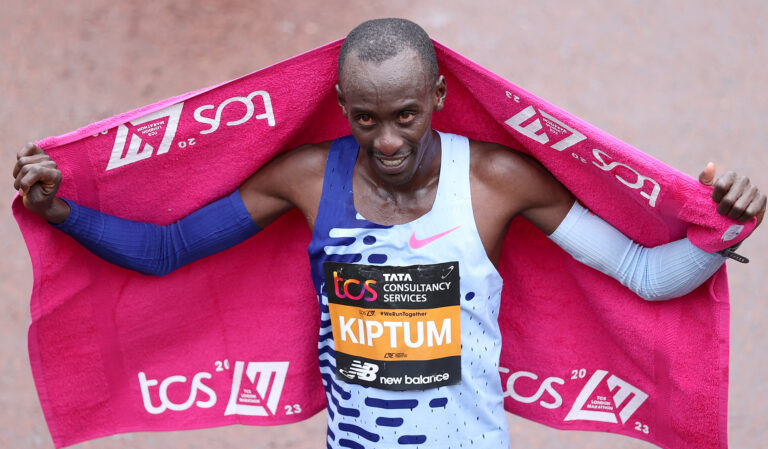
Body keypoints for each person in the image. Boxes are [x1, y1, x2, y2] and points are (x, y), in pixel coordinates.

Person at [12, 18, 766, 449]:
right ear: (341, 104)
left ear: (437, 95)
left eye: (406, 114)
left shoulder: (496, 182)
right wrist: (62, 213)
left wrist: (722, 228)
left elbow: (643, 271)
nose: (388, 141)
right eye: (365, 119)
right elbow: (166, 250)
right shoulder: (306, 179)